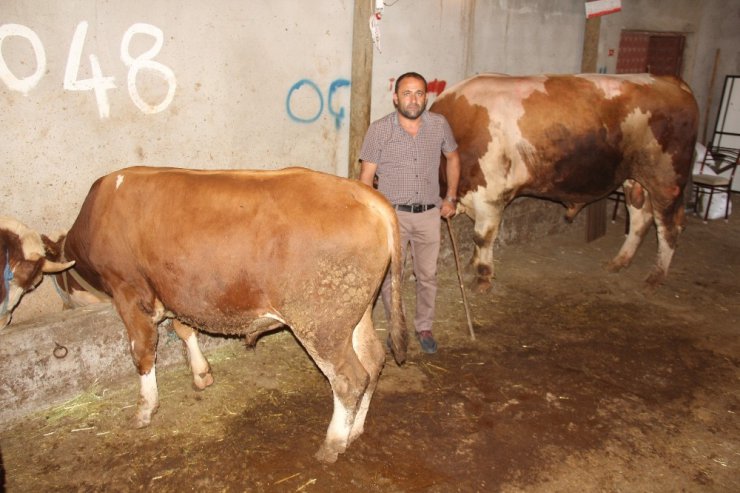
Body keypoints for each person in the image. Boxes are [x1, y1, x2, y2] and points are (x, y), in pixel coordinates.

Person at [358, 71, 461, 354]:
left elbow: (452, 157)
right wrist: (371, 217)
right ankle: (396, 326)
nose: (413, 99)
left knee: (427, 275)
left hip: (429, 213)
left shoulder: (439, 125)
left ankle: (424, 326)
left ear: (426, 97)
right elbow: (366, 177)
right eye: (406, 93)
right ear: (395, 98)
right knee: (394, 276)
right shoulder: (379, 130)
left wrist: (451, 196)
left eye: (418, 93)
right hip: (393, 216)